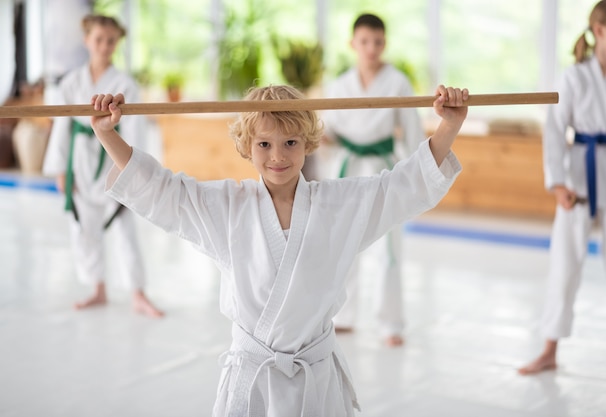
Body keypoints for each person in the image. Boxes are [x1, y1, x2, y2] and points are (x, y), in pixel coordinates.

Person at [89, 83, 468, 416]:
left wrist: (449, 125)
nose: (278, 156)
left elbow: (399, 188)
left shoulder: (339, 206)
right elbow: (164, 191)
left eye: (290, 143)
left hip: (315, 384)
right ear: (246, 146)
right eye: (264, 144)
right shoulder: (227, 207)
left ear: (308, 144)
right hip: (252, 381)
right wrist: (107, 134)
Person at [518, 0, 606, 375]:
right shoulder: (574, 76)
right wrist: (558, 182)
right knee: (565, 263)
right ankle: (549, 348)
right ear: (600, 31)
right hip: (579, 175)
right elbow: (554, 129)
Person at [42, 14, 163, 317]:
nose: (104, 46)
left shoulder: (125, 85)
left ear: (117, 43)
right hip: (79, 161)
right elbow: (61, 127)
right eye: (99, 39)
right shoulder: (71, 83)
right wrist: (60, 170)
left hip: (113, 157)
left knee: (124, 227)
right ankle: (96, 287)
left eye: (111, 41)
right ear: (86, 41)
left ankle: (137, 292)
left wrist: (132, 168)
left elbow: (134, 130)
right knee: (83, 227)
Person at [321, 13, 426, 346]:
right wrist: (313, 135)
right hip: (347, 168)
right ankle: (344, 315)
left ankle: (391, 323)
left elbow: (411, 132)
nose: (371, 49)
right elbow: (327, 132)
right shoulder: (339, 85)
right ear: (353, 44)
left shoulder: (398, 82)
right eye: (364, 42)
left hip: (384, 168)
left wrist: (416, 176)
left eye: (377, 42)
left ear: (385, 44)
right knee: (344, 243)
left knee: (389, 248)